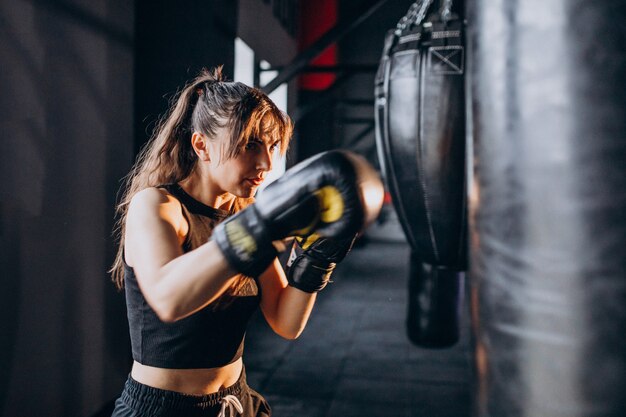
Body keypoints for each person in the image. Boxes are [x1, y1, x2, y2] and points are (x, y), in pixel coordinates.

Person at [109, 67, 383, 417]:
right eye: (251, 145)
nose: (266, 163)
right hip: (165, 409)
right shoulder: (158, 206)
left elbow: (286, 322)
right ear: (201, 146)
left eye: (272, 146)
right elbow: (168, 298)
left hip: (237, 403)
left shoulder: (248, 214)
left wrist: (316, 261)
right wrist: (260, 227)